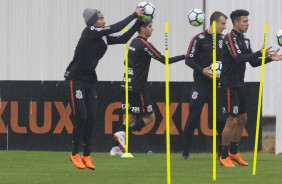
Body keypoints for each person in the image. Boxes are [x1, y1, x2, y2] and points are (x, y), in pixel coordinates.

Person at [64, 7, 145, 169]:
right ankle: (74, 153)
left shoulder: (102, 37)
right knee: (81, 116)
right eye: (101, 19)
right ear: (93, 21)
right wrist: (134, 15)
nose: (104, 21)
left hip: (90, 81)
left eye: (103, 18)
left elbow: (123, 38)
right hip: (76, 79)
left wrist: (138, 23)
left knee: (91, 118)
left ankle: (87, 155)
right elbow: (116, 27)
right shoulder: (90, 31)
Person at [110, 21, 186, 155]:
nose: (153, 29)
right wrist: (184, 56)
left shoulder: (133, 42)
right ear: (142, 28)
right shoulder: (145, 44)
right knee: (150, 117)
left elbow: (125, 62)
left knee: (131, 116)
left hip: (126, 83)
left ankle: (115, 148)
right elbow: (164, 60)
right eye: (150, 26)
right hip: (137, 87)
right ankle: (123, 133)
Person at [219, 9, 282, 167]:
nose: (248, 24)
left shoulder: (244, 40)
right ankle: (223, 155)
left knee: (242, 119)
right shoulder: (229, 38)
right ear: (236, 23)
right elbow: (238, 58)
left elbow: (253, 62)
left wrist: (268, 58)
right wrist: (258, 53)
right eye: (245, 21)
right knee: (231, 120)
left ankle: (234, 152)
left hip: (240, 85)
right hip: (228, 86)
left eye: (248, 21)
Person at [181, 11, 228, 160]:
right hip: (200, 85)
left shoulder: (224, 40)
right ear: (214, 23)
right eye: (223, 24)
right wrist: (203, 71)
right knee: (193, 118)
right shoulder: (198, 39)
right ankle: (185, 153)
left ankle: (221, 151)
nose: (224, 27)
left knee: (220, 120)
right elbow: (188, 60)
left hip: (217, 86)